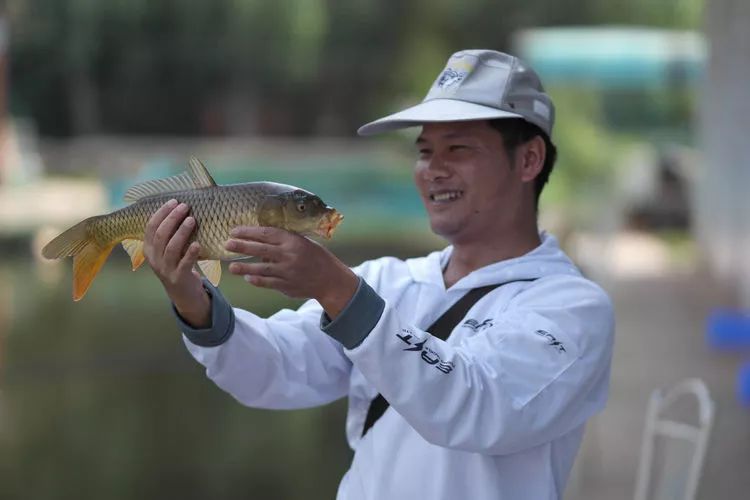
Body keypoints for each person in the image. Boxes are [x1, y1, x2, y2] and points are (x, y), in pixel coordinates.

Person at [144, 49, 615, 500]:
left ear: (529, 159)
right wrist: (193, 300)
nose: (434, 170)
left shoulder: (571, 308)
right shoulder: (390, 281)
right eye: (425, 150)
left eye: (459, 148)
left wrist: (338, 289)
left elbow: (478, 407)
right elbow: (273, 369)